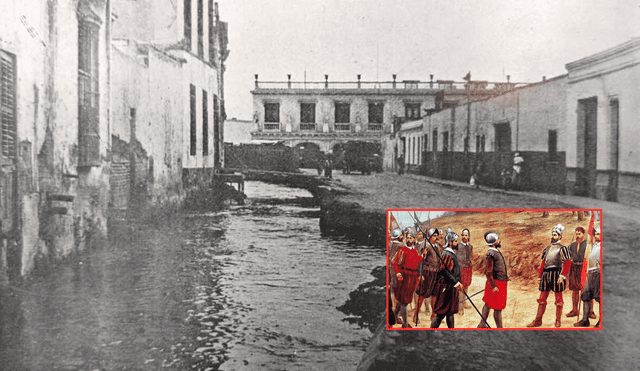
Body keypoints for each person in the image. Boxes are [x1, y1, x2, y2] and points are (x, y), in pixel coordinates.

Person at [527, 224, 572, 328]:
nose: (553, 236)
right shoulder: (546, 248)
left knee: (559, 300)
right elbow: (543, 263)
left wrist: (562, 276)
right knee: (542, 299)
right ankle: (538, 321)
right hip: (546, 275)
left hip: (557, 274)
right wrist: (539, 276)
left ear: (560, 236)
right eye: (552, 234)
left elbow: (568, 263)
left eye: (555, 235)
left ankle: (558, 321)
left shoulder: (563, 249)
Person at [430, 232, 465, 328]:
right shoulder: (447, 254)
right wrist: (456, 282)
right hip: (446, 287)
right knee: (441, 313)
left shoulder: (450, 253)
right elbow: (444, 271)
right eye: (455, 241)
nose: (457, 243)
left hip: (451, 287)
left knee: (450, 312)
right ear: (450, 242)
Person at [478, 232, 509, 328]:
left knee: (489, 303)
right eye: (498, 239)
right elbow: (488, 271)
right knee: (497, 307)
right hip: (496, 283)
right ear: (494, 242)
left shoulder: (495, 252)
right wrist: (493, 286)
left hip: (499, 282)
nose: (500, 241)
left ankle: (482, 324)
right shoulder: (491, 253)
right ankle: (499, 329)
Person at [392, 230, 422, 328]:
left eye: (411, 238)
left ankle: (394, 317)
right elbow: (394, 263)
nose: (409, 239)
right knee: (404, 301)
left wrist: (422, 256)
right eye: (407, 237)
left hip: (412, 277)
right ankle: (405, 324)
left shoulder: (415, 250)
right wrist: (398, 272)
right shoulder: (402, 250)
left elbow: (415, 261)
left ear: (414, 239)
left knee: (402, 300)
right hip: (405, 277)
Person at [574, 226, 602, 327]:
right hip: (589, 274)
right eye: (596, 234)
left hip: (598, 274)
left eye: (599, 234)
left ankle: (601, 321)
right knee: (585, 296)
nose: (596, 235)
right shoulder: (592, 245)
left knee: (600, 298)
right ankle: (585, 320)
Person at [413, 228, 439, 325]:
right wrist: (420, 274)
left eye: (437, 236)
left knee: (434, 295)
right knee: (422, 295)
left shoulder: (437, 247)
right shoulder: (426, 247)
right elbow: (420, 261)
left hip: (435, 274)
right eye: (434, 236)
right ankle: (416, 315)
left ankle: (433, 315)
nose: (436, 238)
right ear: (430, 237)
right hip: (427, 273)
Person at [566, 227, 588, 318]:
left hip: (583, 268)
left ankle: (590, 311)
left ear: (583, 235)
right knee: (575, 290)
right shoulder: (572, 245)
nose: (578, 235)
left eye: (579, 234)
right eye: (576, 233)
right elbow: (567, 255)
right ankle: (575, 310)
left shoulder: (587, 245)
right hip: (574, 268)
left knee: (586, 290)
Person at [388, 228, 404, 323]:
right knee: (398, 293)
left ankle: (395, 313)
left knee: (393, 292)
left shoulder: (389, 246)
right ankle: (395, 315)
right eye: (401, 235)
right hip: (398, 271)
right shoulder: (400, 247)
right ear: (398, 237)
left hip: (391, 271)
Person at [457, 229, 474, 315]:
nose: (464, 237)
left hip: (468, 268)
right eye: (463, 235)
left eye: (466, 235)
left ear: (469, 236)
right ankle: (459, 308)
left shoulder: (470, 247)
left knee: (466, 285)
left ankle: (464, 302)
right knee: (461, 287)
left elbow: (470, 257)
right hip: (461, 268)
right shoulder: (458, 246)